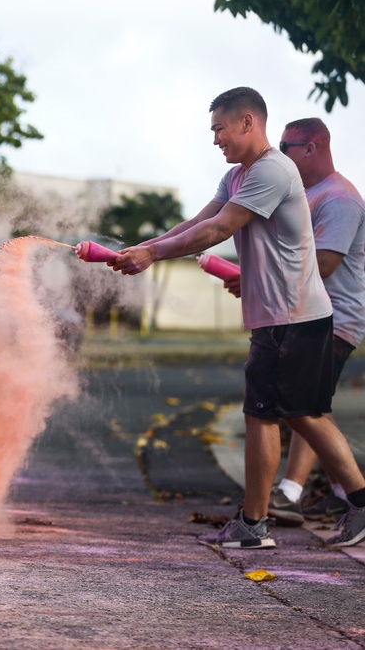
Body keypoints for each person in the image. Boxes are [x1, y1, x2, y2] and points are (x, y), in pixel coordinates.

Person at [111, 87, 365, 549]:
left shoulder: (271, 170)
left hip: (292, 318)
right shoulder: (238, 177)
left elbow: (218, 230)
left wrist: (152, 253)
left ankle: (254, 524)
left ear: (247, 122)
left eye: (219, 129)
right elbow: (198, 222)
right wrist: (146, 249)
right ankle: (336, 509)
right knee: (301, 416)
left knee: (267, 415)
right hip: (282, 318)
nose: (215, 140)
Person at [223, 118, 365, 527]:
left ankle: (294, 495)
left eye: (287, 145)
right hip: (300, 312)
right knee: (306, 408)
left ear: (314, 146)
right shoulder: (300, 189)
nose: (279, 151)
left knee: (303, 409)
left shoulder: (339, 198)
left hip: (332, 316)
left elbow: (324, 263)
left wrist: (250, 275)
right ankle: (338, 495)